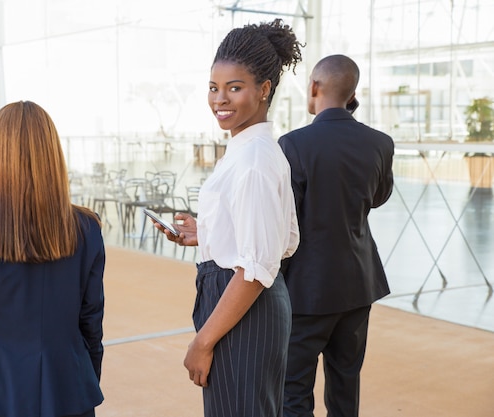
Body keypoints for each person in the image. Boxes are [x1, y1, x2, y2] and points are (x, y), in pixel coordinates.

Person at [154, 19, 302, 417]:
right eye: (213, 88)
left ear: (264, 90)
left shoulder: (253, 159)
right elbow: (266, 239)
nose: (220, 99)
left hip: (243, 310)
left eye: (234, 88)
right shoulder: (246, 147)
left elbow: (254, 269)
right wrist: (205, 234)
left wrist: (202, 342)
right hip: (243, 305)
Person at [0, 101, 105, 417]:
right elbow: (91, 322)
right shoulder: (87, 227)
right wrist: (84, 377)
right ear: (52, 155)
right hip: (69, 389)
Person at [277, 54, 394, 417]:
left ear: (314, 86)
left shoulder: (293, 144)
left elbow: (284, 220)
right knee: (346, 385)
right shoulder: (380, 143)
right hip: (359, 285)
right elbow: (378, 197)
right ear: (352, 93)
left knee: (293, 391)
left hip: (306, 291)